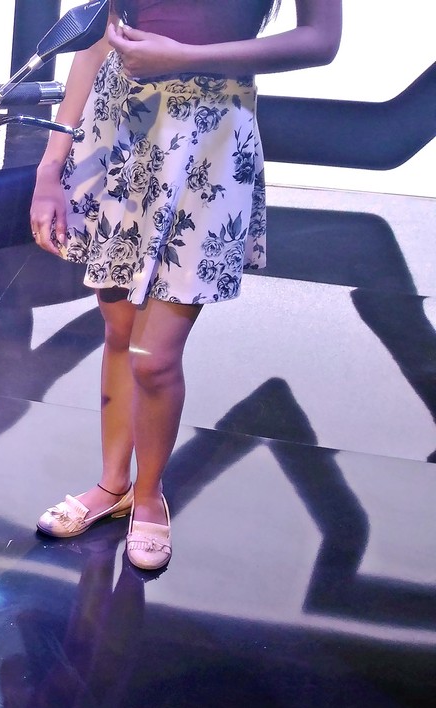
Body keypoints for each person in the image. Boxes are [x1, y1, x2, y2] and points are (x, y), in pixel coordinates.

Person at [29, 0, 341, 569]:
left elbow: (321, 40)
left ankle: (149, 495)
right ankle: (113, 485)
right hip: (118, 129)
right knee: (118, 332)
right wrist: (50, 166)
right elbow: (99, 38)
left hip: (208, 137)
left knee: (154, 359)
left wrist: (187, 58)